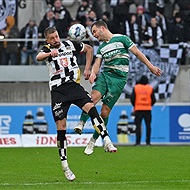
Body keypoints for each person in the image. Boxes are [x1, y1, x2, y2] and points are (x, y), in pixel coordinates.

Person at [36, 26, 117, 181]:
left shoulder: (69, 44)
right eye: (52, 38)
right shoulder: (46, 49)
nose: (56, 40)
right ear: (47, 40)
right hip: (58, 91)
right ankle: (65, 166)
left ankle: (106, 140)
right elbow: (39, 57)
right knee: (61, 127)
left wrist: (87, 69)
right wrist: (49, 53)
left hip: (73, 86)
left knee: (92, 109)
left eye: (57, 36)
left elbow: (89, 49)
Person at [74, 20, 162, 155]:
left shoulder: (122, 39)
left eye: (94, 32)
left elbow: (137, 53)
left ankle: (93, 140)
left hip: (119, 80)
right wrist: (92, 73)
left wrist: (150, 66)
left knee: (104, 113)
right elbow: (97, 63)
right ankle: (81, 123)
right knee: (93, 98)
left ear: (102, 28)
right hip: (105, 76)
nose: (94, 35)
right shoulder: (102, 47)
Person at [130, 75, 156, 146]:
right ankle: (148, 142)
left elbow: (132, 99)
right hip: (147, 109)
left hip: (138, 109)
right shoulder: (150, 88)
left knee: (138, 126)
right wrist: (149, 105)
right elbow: (153, 99)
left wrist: (135, 105)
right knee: (148, 126)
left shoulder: (136, 88)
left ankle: (137, 142)